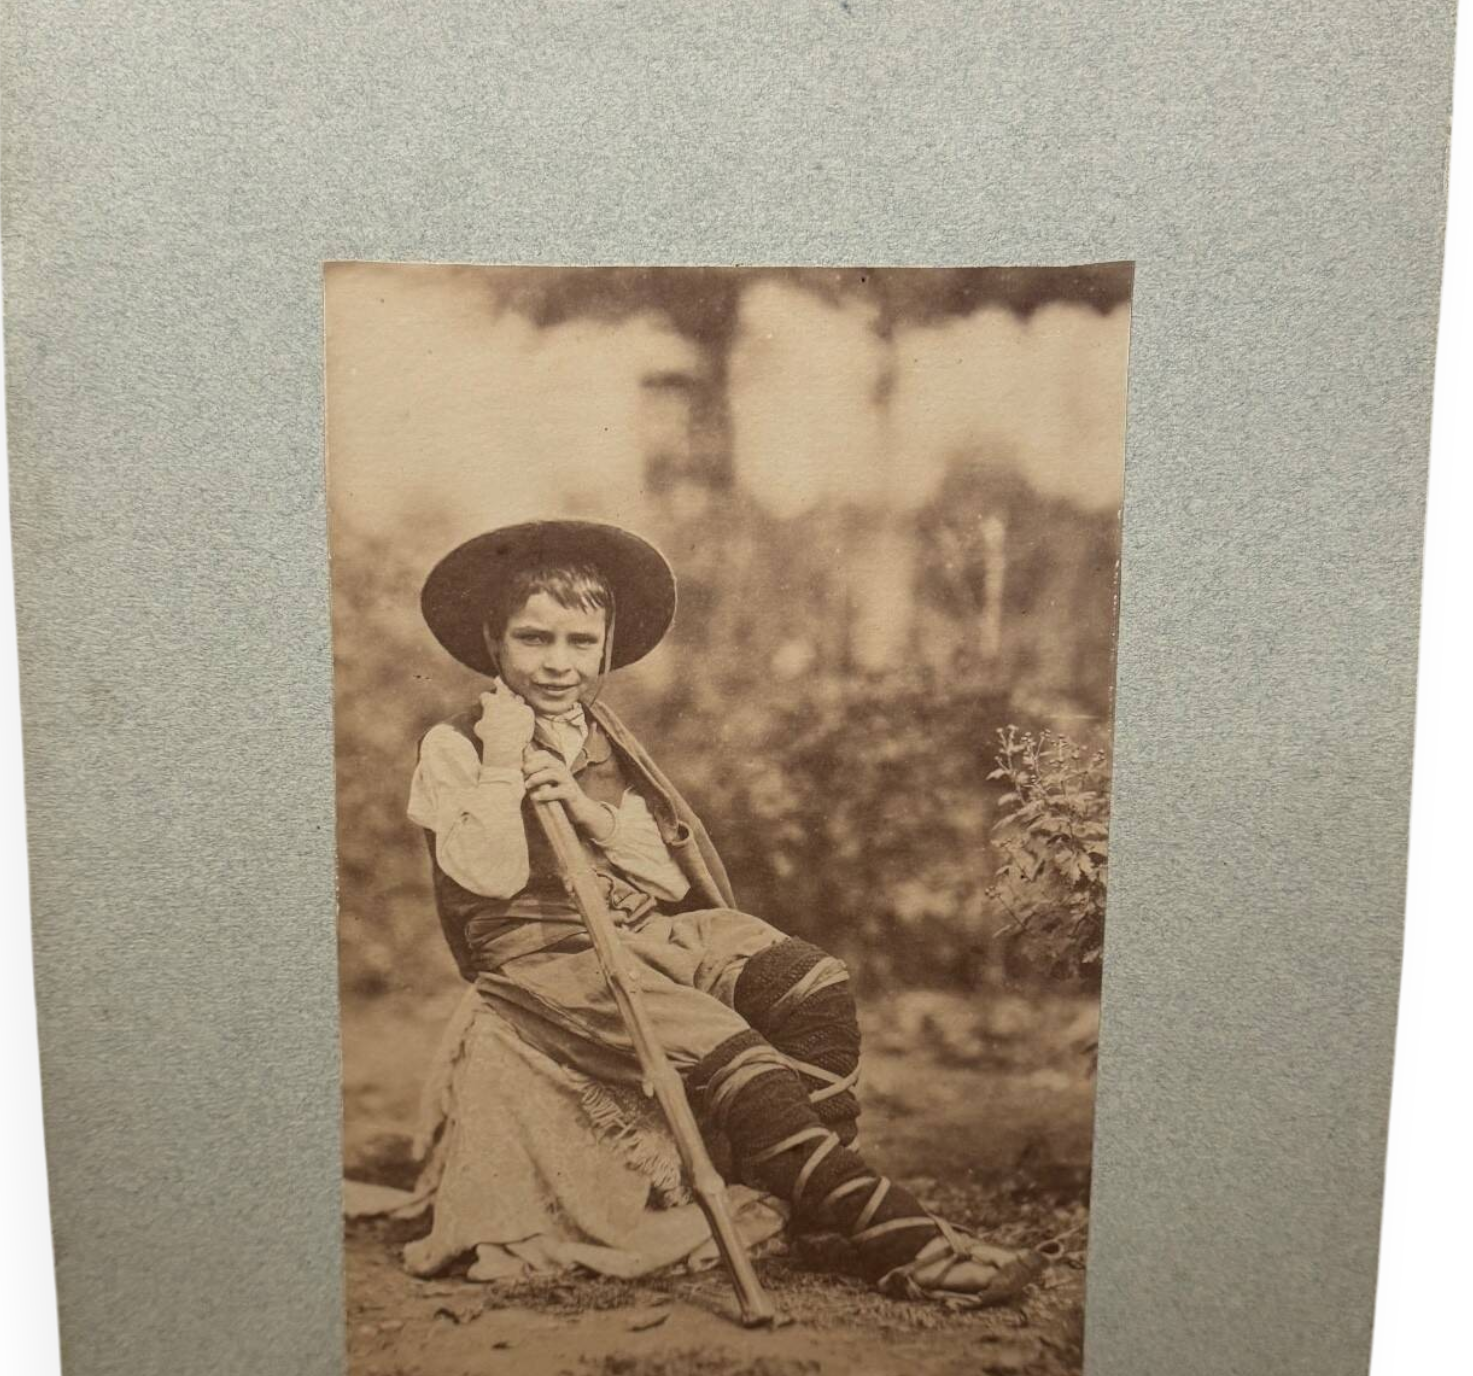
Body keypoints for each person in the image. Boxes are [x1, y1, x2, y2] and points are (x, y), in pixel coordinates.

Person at [406, 518, 1048, 1310]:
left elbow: (664, 872)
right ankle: (902, 1241)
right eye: (534, 639)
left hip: (640, 927)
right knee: (728, 1051)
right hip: (541, 957)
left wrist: (584, 809)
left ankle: (812, 1210)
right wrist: (505, 761)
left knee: (808, 982)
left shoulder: (601, 735)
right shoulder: (458, 746)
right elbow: (490, 874)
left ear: (606, 647)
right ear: (492, 641)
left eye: (580, 642)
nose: (559, 663)